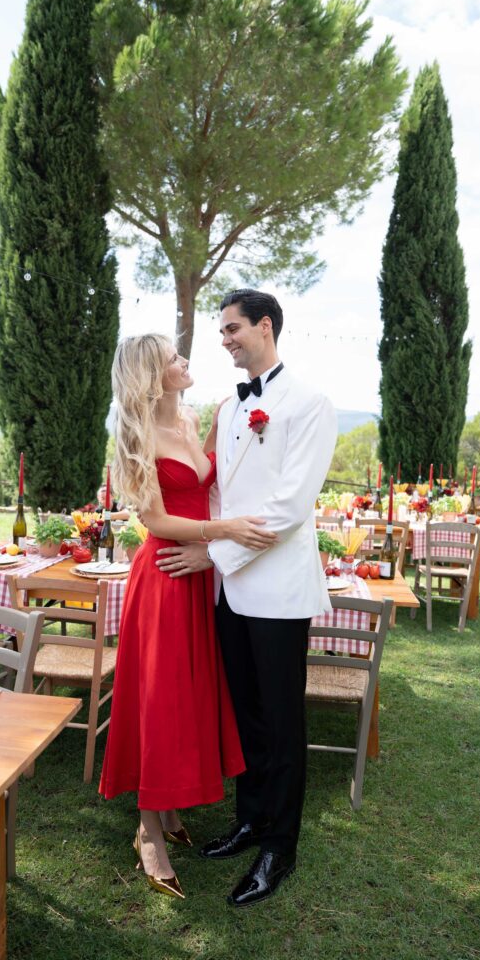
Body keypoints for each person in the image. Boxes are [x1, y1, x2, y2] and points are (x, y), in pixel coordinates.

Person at [156, 289, 337, 908]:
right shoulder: (231, 410)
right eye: (222, 330)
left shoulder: (310, 403)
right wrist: (209, 547)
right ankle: (250, 820)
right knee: (247, 715)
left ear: (265, 326)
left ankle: (279, 847)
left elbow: (289, 508)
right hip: (229, 594)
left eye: (232, 328)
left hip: (279, 590)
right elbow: (218, 499)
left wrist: (213, 554)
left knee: (283, 723)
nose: (225, 339)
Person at [98, 333, 278, 901]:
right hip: (169, 574)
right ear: (152, 375)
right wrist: (220, 532)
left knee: (191, 693)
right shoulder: (136, 435)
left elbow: (212, 483)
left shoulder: (198, 416)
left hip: (203, 575)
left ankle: (170, 809)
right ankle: (147, 828)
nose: (185, 362)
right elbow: (154, 520)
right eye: (173, 359)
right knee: (162, 698)